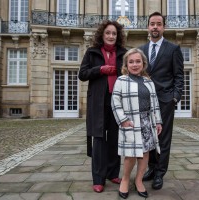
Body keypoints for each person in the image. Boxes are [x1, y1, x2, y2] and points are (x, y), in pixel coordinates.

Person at [78, 20, 127, 193]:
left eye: (114, 33)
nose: (111, 36)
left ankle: (113, 173)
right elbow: (82, 74)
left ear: (118, 36)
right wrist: (100, 69)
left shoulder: (124, 53)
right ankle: (98, 179)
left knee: (115, 138)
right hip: (98, 102)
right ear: (102, 34)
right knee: (99, 139)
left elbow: (131, 72)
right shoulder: (92, 52)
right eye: (108, 33)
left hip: (118, 101)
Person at [139, 11, 184, 190]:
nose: (155, 27)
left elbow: (179, 76)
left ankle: (160, 173)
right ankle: (151, 168)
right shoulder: (141, 50)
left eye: (159, 23)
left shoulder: (173, 49)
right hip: (145, 101)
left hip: (165, 101)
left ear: (163, 27)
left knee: (163, 138)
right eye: (152, 23)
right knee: (148, 137)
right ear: (148, 26)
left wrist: (175, 97)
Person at [111, 48, 162, 199]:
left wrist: (158, 121)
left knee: (145, 153)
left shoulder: (149, 81)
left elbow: (155, 104)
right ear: (126, 64)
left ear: (143, 63)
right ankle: (125, 180)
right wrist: (123, 120)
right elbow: (115, 102)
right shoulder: (121, 80)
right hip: (131, 123)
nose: (134, 64)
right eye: (131, 62)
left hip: (147, 122)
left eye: (138, 61)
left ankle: (139, 181)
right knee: (130, 155)